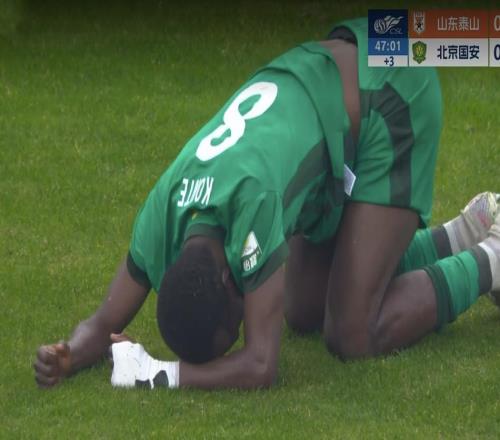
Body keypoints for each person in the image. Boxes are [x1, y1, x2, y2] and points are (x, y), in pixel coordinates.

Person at [34, 18, 500, 390]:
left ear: (227, 279)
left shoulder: (252, 201)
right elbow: (102, 323)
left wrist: (159, 373)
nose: (243, 327)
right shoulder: (164, 209)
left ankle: (493, 257)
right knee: (303, 309)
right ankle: (462, 232)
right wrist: (69, 353)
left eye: (232, 328)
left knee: (352, 333)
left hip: (391, 88)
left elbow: (261, 365)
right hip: (334, 74)